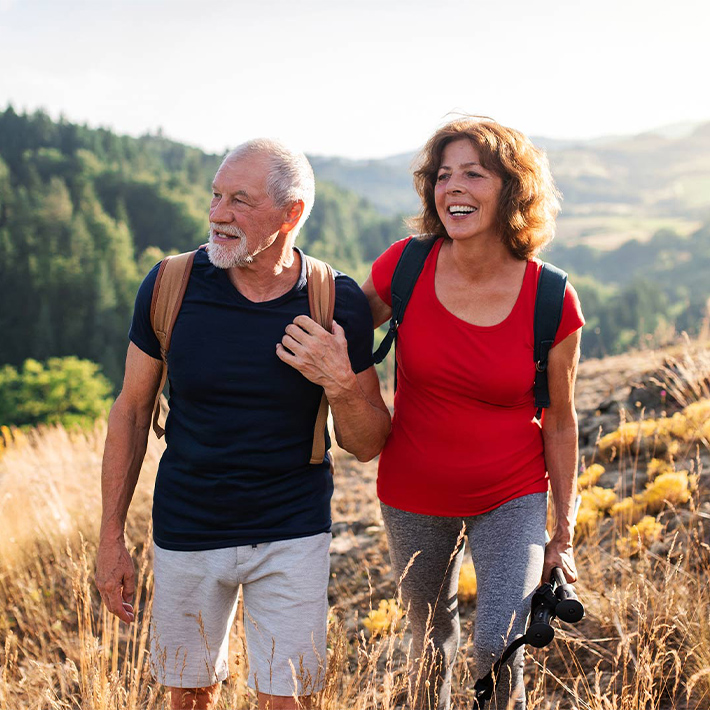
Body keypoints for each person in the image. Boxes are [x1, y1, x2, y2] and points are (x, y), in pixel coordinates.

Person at [95, 138, 391, 710]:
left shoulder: (336, 300)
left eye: (239, 200)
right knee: (188, 694)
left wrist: (340, 380)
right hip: (187, 526)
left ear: (291, 214)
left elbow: (369, 442)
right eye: (215, 195)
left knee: (288, 700)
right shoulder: (169, 286)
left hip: (292, 529)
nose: (217, 214)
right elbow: (131, 411)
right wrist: (111, 538)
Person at [361, 118, 584, 710]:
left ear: (511, 189)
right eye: (443, 175)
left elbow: (560, 421)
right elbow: (341, 334)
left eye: (473, 175)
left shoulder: (550, 296)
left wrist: (563, 525)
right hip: (412, 491)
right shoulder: (404, 267)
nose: (453, 187)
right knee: (430, 641)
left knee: (498, 642)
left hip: (512, 494)